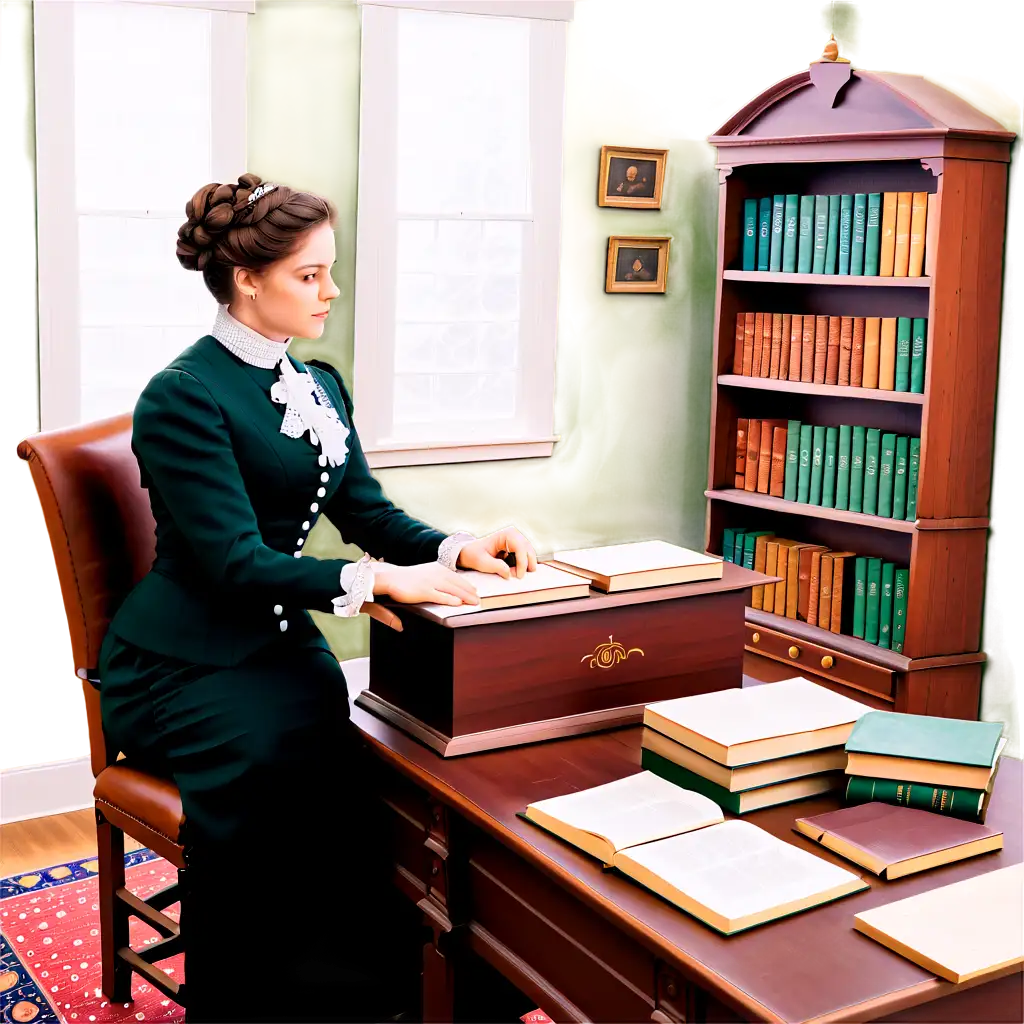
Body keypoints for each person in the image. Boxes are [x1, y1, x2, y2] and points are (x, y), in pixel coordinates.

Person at [97, 172, 538, 1023]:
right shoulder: (182, 396)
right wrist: (374, 580)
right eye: (310, 275)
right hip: (181, 664)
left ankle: (390, 994)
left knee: (370, 790)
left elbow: (366, 510)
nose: (331, 291)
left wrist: (459, 547)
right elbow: (231, 561)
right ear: (246, 281)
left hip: (280, 651)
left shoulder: (318, 385)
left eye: (330, 270)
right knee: (270, 795)